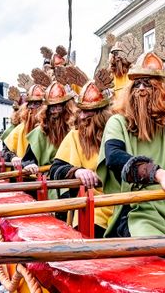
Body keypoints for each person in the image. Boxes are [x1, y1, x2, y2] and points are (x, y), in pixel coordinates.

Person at [98, 31, 165, 239]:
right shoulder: (118, 122)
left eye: (148, 84)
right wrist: (160, 174)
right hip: (139, 211)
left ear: (163, 91)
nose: (141, 90)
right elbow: (114, 157)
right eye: (136, 84)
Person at [49, 69, 115, 237]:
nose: (83, 117)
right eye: (81, 111)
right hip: (93, 205)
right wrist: (77, 171)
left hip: (123, 203)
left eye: (88, 112)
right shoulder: (75, 136)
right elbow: (55, 169)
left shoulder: (118, 133)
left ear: (102, 114)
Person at [19, 81, 77, 179]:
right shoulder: (39, 132)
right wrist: (30, 164)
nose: (54, 112)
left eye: (58, 107)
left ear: (66, 108)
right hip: (50, 179)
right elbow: (28, 159)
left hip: (75, 176)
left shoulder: (75, 130)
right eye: (51, 108)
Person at [3, 83, 46, 165]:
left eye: (37, 103)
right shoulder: (21, 128)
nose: (32, 107)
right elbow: (6, 150)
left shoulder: (52, 127)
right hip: (26, 174)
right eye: (30, 104)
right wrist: (13, 157)